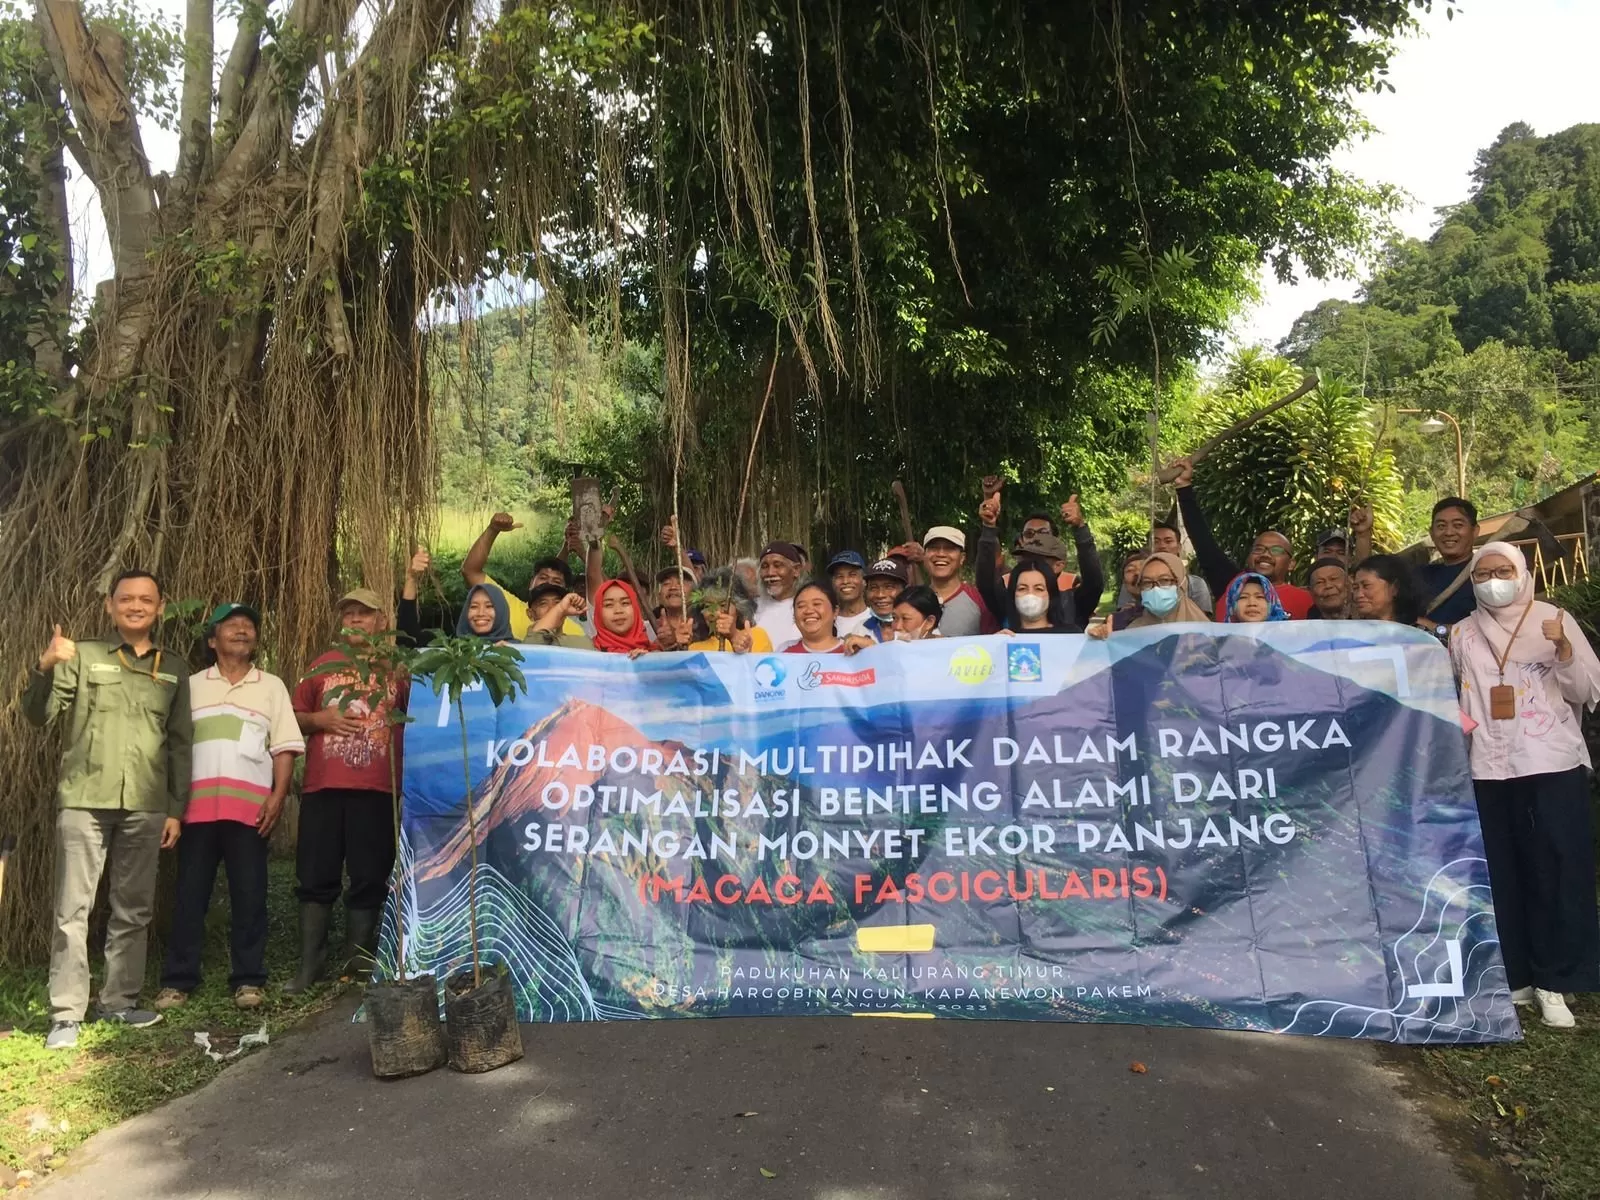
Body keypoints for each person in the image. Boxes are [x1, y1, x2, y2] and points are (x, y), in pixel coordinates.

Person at [23, 570, 192, 1049]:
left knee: (133, 908)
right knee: (72, 908)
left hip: (146, 804)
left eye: (146, 600)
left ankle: (118, 1002)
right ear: (109, 605)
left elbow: (180, 744)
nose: (135, 606)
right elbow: (38, 715)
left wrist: (175, 809)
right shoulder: (82, 655)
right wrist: (45, 666)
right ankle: (66, 1014)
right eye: (126, 598)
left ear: (160, 607)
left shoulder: (173, 668)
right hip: (84, 800)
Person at [1450, 541, 1600, 1029]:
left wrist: (1564, 650)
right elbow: (1457, 693)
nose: (1493, 581)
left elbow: (1588, 690)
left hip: (1548, 763)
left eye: (1503, 571)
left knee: (1554, 869)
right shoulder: (1463, 632)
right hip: (1487, 768)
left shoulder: (1552, 618)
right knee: (1501, 872)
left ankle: (1554, 978)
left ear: (1521, 572)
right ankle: (1514, 973)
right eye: (1482, 574)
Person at [154, 605, 303, 1013]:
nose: (242, 630)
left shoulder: (270, 686)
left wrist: (277, 797)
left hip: (250, 812)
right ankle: (177, 981)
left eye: (249, 626)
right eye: (231, 625)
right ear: (212, 640)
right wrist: (172, 806)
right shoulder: (191, 686)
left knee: (250, 896)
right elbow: (174, 747)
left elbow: (284, 747)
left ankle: (249, 979)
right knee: (190, 896)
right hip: (195, 811)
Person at [288, 588, 409, 994]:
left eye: (364, 613)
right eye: (349, 613)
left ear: (382, 621)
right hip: (322, 787)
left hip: (377, 788)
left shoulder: (397, 669)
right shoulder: (321, 665)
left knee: (370, 874)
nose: (355, 619)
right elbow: (293, 717)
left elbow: (419, 717)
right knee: (315, 874)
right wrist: (320, 719)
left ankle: (357, 963)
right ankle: (310, 966)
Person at [1170, 457, 1315, 620]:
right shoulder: (1230, 583)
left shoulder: (1309, 601)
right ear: (1249, 557)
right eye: (1258, 549)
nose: (1265, 554)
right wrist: (1184, 487)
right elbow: (1202, 540)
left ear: (1292, 564)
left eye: (1276, 550)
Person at [1354, 497, 1479, 634]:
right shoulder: (1419, 574)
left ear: (1475, 531)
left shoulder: (1486, 574)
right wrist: (1363, 535)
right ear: (1431, 533)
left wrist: (1435, 628)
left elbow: (1488, 629)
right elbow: (1368, 576)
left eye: (1458, 525)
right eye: (1441, 526)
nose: (1449, 533)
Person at [977, 495, 1102, 631]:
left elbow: (1094, 583)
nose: (1034, 566)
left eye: (1040, 561)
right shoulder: (1009, 600)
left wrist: (1080, 529)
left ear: (1058, 565)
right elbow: (985, 583)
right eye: (1028, 558)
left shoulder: (1072, 602)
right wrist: (988, 528)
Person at [460, 511, 587, 640]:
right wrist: (493, 530)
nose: (548, 583)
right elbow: (470, 571)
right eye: (543, 578)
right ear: (531, 583)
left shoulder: (575, 632)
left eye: (556, 581)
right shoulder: (508, 606)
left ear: (566, 591)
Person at [1090, 552, 1211, 638]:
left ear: (1181, 584)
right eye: (1147, 582)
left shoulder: (1206, 634)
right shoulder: (1130, 629)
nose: (1155, 589)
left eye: (1164, 580)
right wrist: (1104, 640)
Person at [914, 526, 994, 637]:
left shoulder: (978, 600)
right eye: (933, 548)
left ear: (962, 558)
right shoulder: (912, 600)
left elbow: (993, 641)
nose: (941, 554)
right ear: (924, 556)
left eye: (949, 549)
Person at [687, 568, 773, 653]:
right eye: (708, 606)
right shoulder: (694, 648)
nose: (716, 613)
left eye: (723, 605)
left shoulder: (757, 636)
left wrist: (734, 636)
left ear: (739, 608)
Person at [1149, 522, 1214, 613]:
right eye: (1156, 542)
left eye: (1168, 541)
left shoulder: (1195, 584)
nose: (1162, 546)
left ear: (1179, 547)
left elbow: (1201, 619)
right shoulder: (1137, 582)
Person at [755, 541, 805, 650]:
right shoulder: (751, 607)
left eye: (778, 565)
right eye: (764, 566)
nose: (770, 573)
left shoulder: (807, 607)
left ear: (796, 570)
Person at [591, 579, 659, 657]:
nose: (618, 610)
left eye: (625, 603)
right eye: (609, 605)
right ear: (598, 612)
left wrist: (645, 660)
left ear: (635, 608)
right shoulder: (589, 651)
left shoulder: (656, 653)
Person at [1351, 555, 1422, 626]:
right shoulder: (1350, 630)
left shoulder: (1416, 632)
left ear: (1394, 588)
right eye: (1355, 588)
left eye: (1366, 585)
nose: (1358, 595)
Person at [784, 579, 848, 654]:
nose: (808, 611)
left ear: (835, 611)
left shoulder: (852, 651)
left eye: (817, 604)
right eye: (801, 606)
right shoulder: (784, 652)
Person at [524, 585, 595, 649]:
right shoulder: (521, 646)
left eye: (557, 602)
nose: (553, 609)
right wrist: (559, 609)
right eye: (543, 604)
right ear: (530, 614)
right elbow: (532, 646)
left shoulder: (582, 644)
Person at [861, 558, 911, 642]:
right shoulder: (861, 629)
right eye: (873, 587)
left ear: (905, 590)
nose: (880, 595)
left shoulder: (918, 627)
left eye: (889, 587)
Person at [826, 551, 875, 637]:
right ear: (833, 583)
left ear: (864, 581)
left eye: (852, 575)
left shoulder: (876, 620)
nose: (845, 581)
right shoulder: (826, 621)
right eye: (839, 576)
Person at [1223, 573, 1289, 624]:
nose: (1252, 603)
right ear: (1232, 604)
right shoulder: (1222, 636)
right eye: (1243, 597)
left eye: (1260, 597)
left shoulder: (1286, 635)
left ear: (1272, 604)